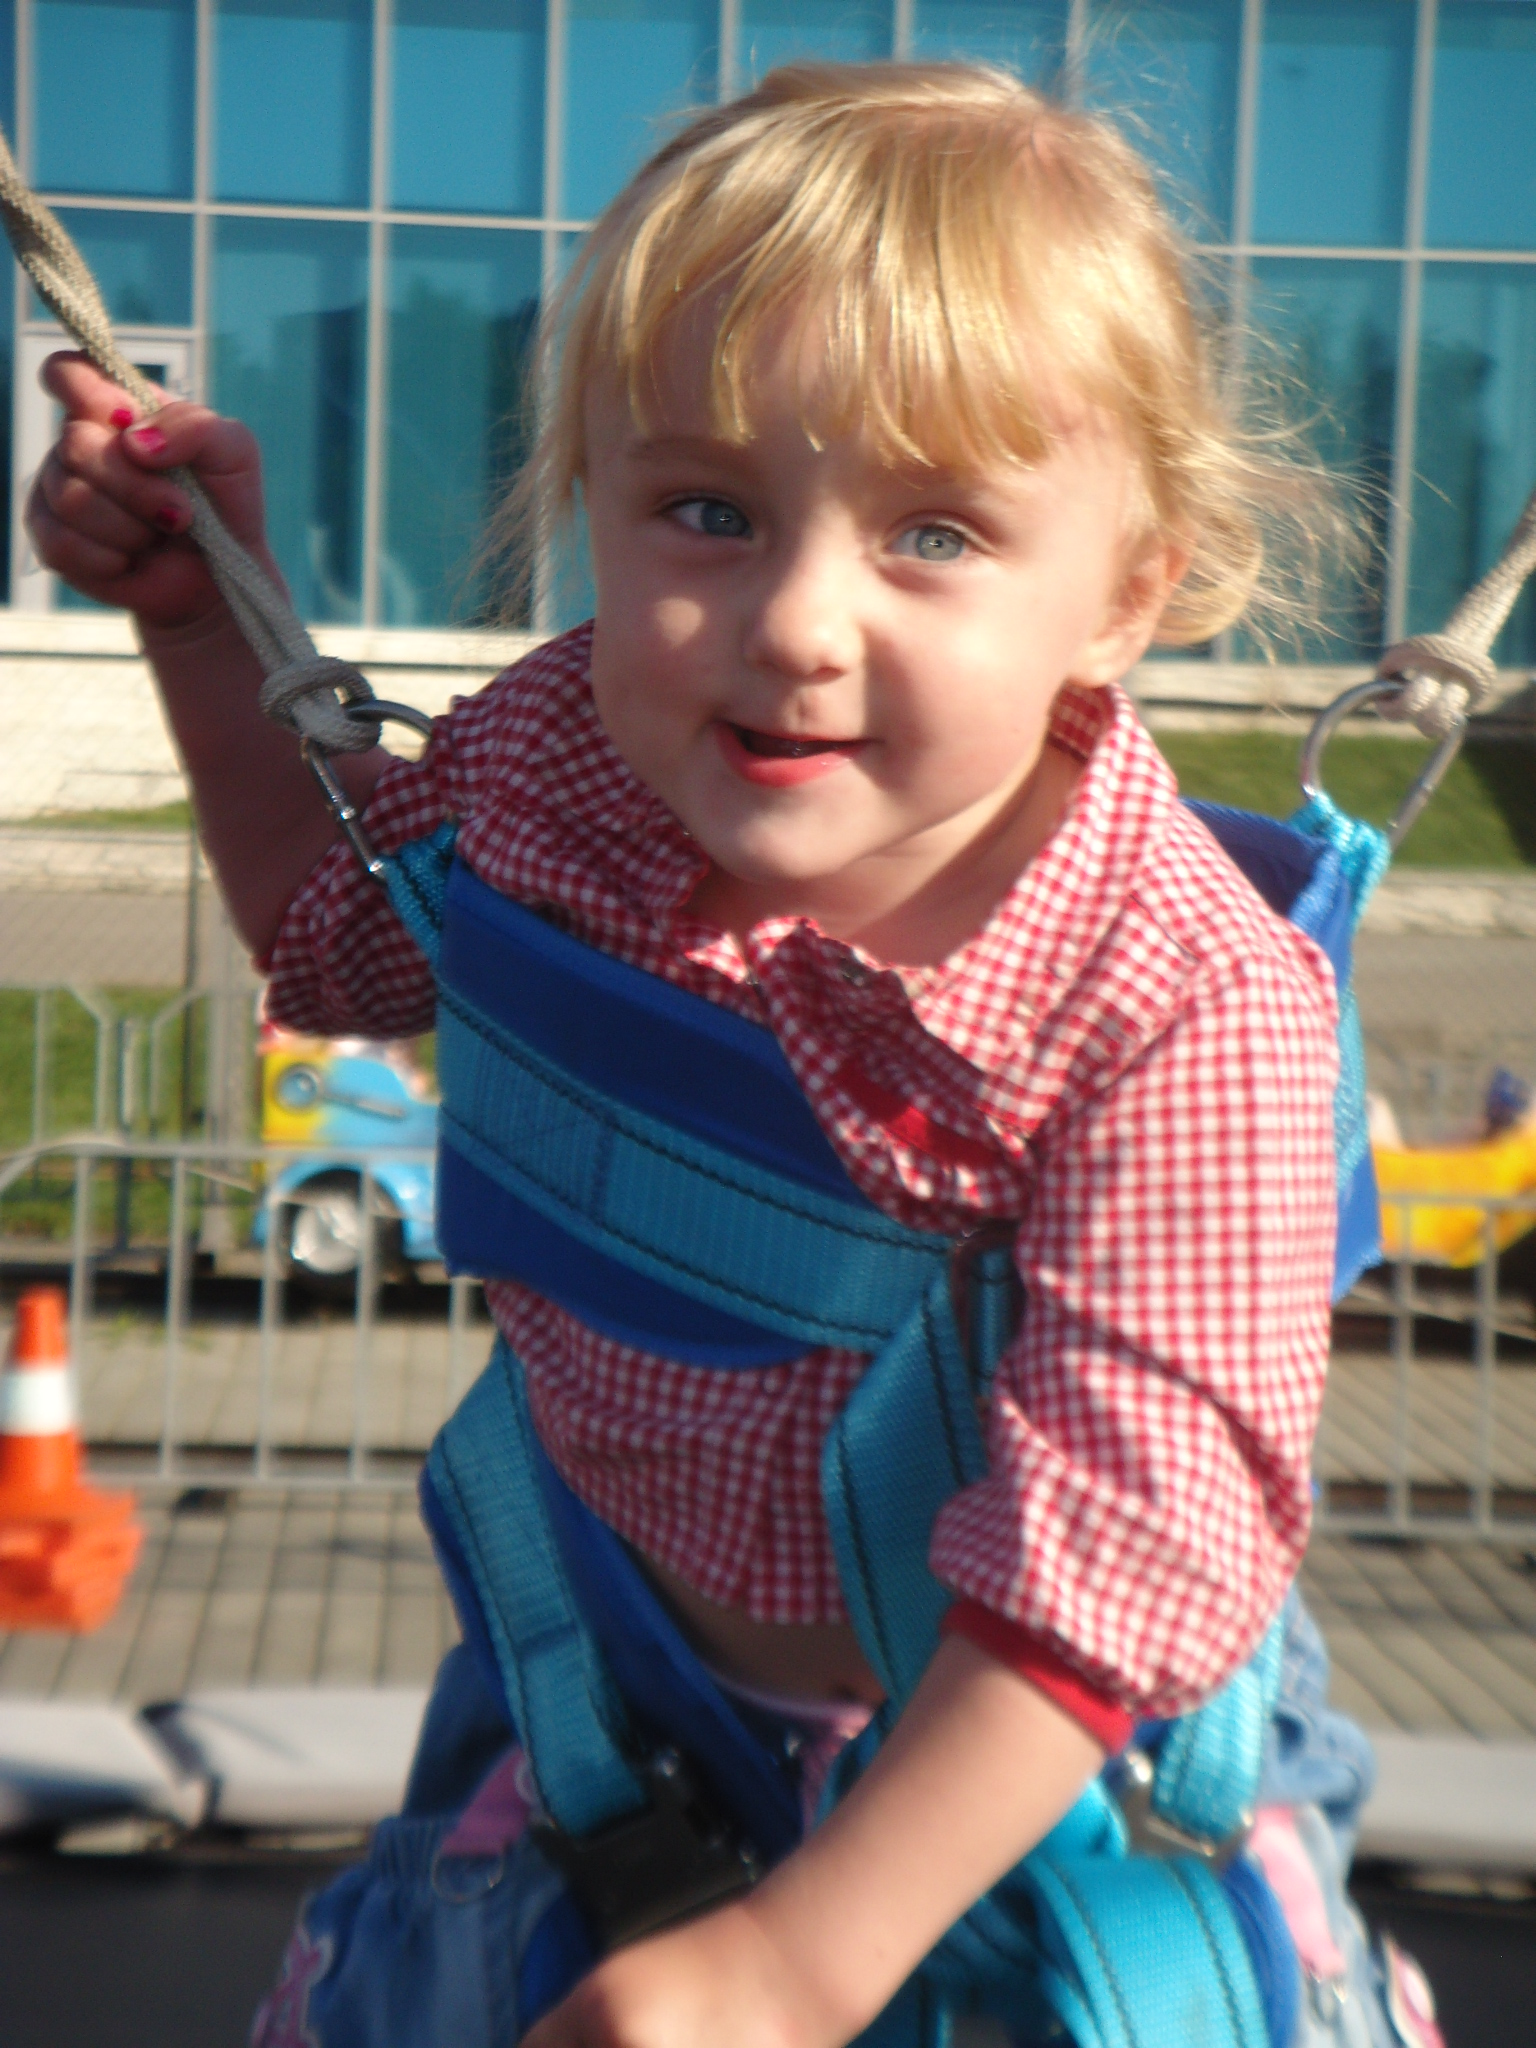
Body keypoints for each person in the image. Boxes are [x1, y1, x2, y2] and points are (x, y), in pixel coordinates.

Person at [30, 63, 1353, 2048]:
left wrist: (797, 1963)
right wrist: (204, 628)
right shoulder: (568, 763)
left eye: (933, 532)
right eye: (708, 512)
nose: (795, 623)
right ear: (595, 497)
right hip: (617, 1692)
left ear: (1126, 597)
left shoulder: (1181, 1000)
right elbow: (336, 932)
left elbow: (1136, 1548)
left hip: (1051, 1766)